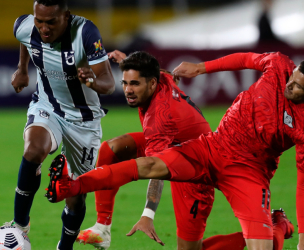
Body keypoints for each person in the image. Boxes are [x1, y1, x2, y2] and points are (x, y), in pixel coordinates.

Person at [46, 51, 304, 250]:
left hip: (247, 172)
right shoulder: (280, 65)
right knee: (148, 164)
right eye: (292, 78)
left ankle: (278, 227)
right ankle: (72, 187)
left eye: (298, 87)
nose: (289, 86)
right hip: (213, 145)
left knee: (262, 245)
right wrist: (201, 67)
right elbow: (246, 59)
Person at [0, 0, 115, 250]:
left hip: (84, 121)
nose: (44, 28)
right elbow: (25, 40)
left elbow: (109, 83)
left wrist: (92, 81)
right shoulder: (25, 26)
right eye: (40, 21)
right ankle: (20, 225)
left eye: (51, 23)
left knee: (75, 195)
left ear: (66, 16)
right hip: (48, 107)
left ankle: (64, 247)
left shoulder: (85, 33)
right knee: (33, 150)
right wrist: (22, 69)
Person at [51, 49, 216, 250]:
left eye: (135, 84)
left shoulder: (159, 119)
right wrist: (127, 61)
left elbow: (156, 168)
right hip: (176, 144)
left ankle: (261, 234)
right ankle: (102, 228)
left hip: (199, 168)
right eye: (126, 83)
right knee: (111, 149)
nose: (128, 90)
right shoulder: (160, 79)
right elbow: (166, 74)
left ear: (151, 83)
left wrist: (148, 214)